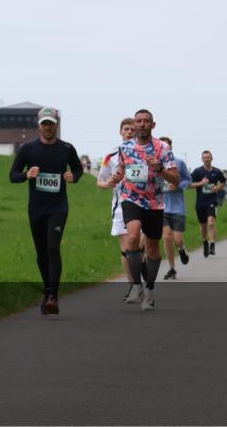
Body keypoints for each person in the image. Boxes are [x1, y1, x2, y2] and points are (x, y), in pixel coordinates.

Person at [10, 107, 84, 315]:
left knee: (53, 248)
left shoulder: (67, 149)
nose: (48, 127)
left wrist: (73, 176)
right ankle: (47, 289)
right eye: (44, 123)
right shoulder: (27, 149)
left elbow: (78, 169)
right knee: (41, 253)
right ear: (39, 125)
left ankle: (53, 296)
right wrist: (27, 175)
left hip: (58, 207)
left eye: (51, 123)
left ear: (56, 125)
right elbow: (13, 175)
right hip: (36, 208)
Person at [106, 109, 179, 311]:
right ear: (134, 125)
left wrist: (160, 169)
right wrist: (116, 178)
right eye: (139, 121)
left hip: (154, 202)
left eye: (147, 121)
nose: (142, 124)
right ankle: (136, 285)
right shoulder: (124, 147)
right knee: (132, 236)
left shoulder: (162, 148)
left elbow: (175, 179)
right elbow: (122, 170)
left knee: (153, 248)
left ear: (153, 125)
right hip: (131, 199)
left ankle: (150, 289)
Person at [97, 117, 137, 297]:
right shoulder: (110, 157)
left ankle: (141, 274)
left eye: (132, 129)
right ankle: (134, 286)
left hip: (142, 204)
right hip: (120, 206)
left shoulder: (145, 153)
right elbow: (100, 181)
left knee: (139, 244)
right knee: (126, 246)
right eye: (126, 129)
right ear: (120, 132)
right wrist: (109, 184)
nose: (129, 132)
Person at [158, 136, 191, 280]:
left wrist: (178, 185)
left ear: (170, 148)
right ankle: (172, 268)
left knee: (177, 240)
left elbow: (188, 181)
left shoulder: (179, 163)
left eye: (167, 146)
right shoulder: (154, 164)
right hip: (162, 207)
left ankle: (182, 249)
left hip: (178, 208)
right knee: (166, 237)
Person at [190, 150, 227, 257]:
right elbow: (189, 184)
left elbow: (224, 181)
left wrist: (218, 187)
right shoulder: (197, 171)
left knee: (211, 222)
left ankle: (212, 244)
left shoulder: (217, 171)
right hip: (200, 202)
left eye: (208, 157)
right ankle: (205, 242)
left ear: (212, 158)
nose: (206, 159)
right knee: (203, 225)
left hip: (212, 201)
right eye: (204, 157)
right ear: (202, 159)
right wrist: (201, 183)